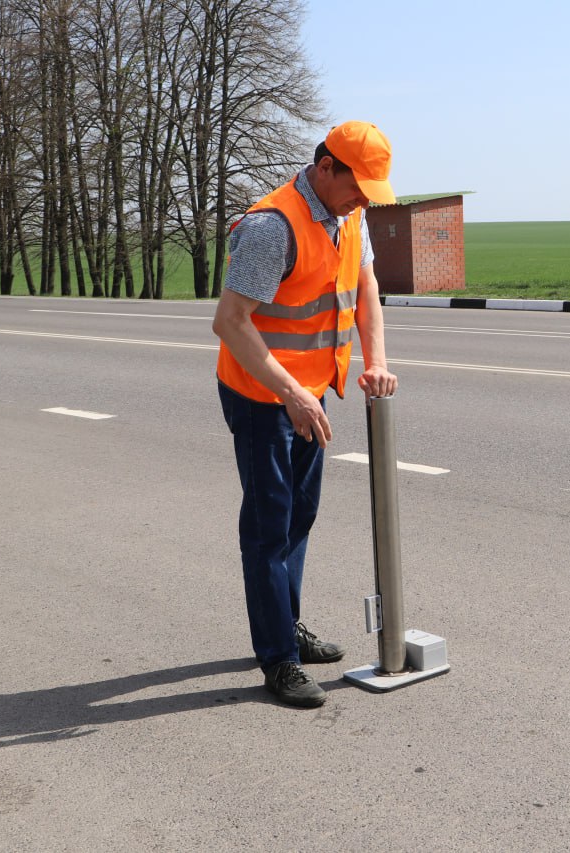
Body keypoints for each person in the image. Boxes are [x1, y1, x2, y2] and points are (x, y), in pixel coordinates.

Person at [212, 121, 399, 708]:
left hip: (308, 389)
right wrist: (291, 393)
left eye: (372, 190)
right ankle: (277, 659)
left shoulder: (351, 215)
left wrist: (376, 361)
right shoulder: (273, 227)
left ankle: (283, 623)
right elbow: (231, 322)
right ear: (325, 169)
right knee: (270, 524)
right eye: (357, 185)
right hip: (259, 391)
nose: (364, 199)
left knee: (300, 515)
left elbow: (365, 285)